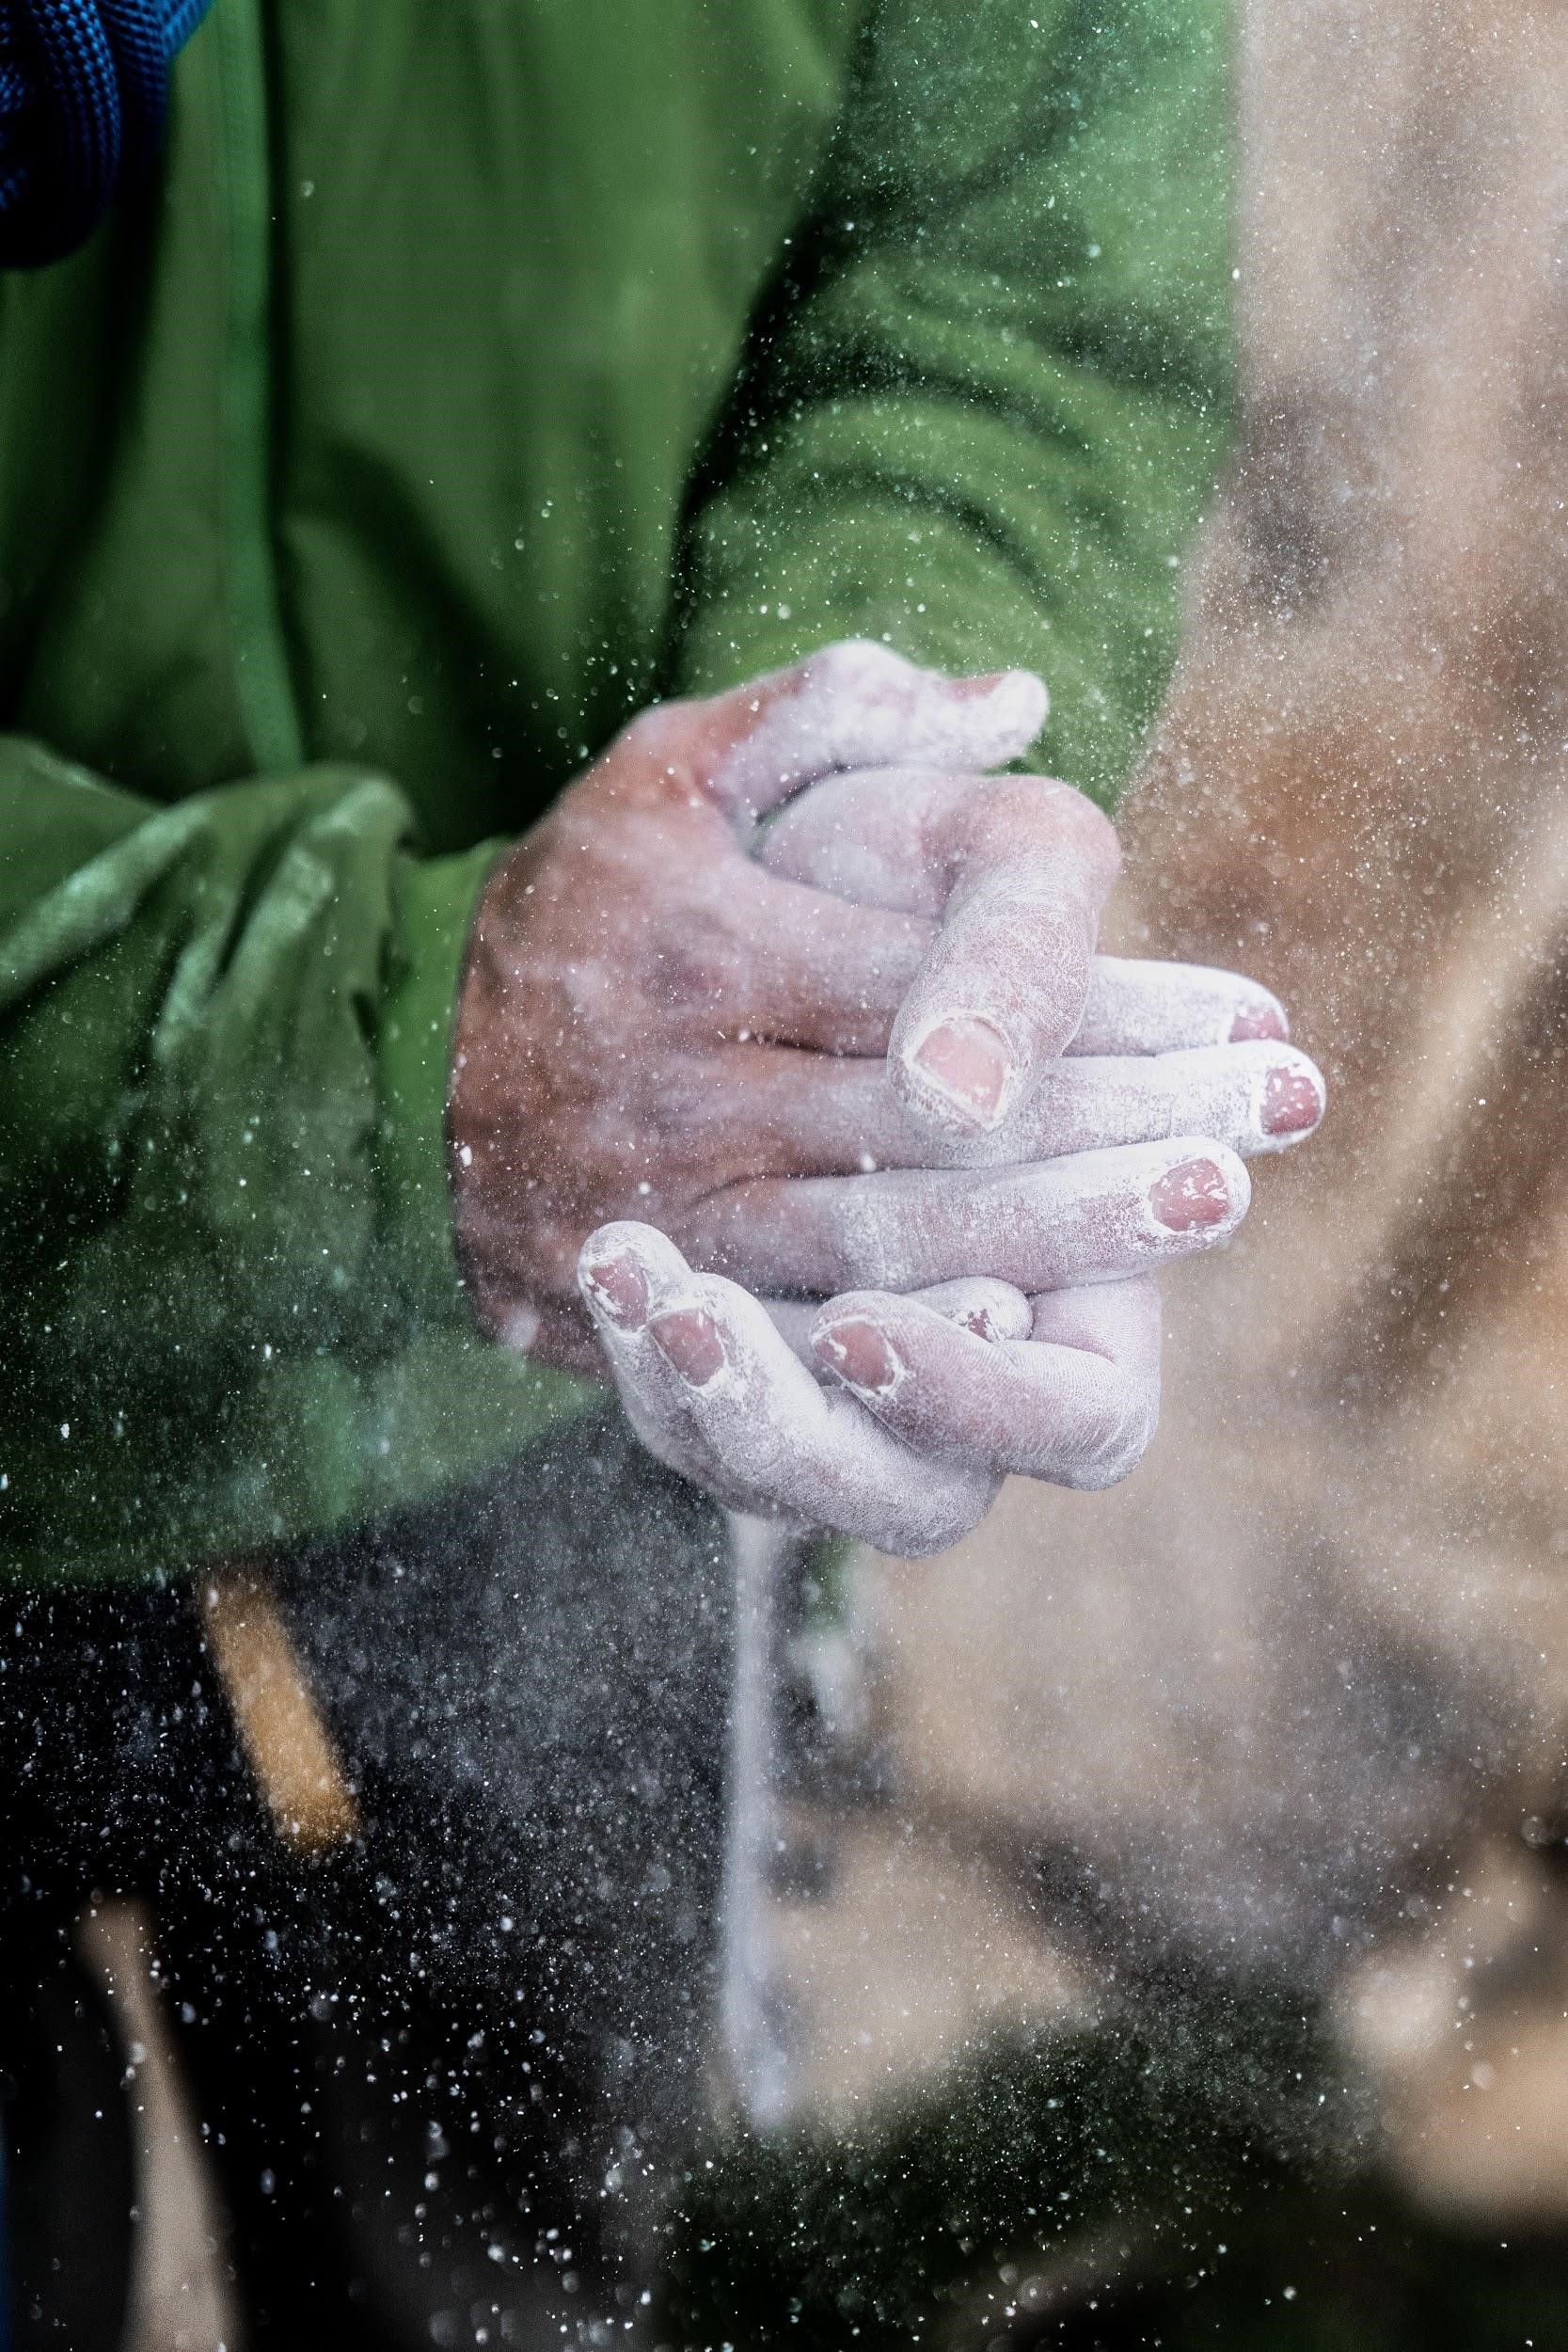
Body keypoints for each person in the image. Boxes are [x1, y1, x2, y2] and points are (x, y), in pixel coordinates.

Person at [0, 0, 1323, 2339]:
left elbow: (1000, 271)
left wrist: (845, 820)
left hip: (564, 1381)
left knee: (519, 2279)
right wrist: (401, 1064)